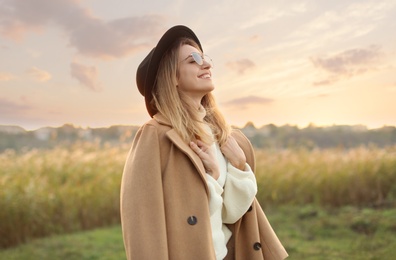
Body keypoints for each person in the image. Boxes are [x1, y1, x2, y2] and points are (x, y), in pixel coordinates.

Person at [120, 25, 288, 260]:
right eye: (193, 60)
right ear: (173, 77)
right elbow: (142, 225)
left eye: (205, 57)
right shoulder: (155, 136)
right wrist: (210, 178)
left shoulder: (226, 139)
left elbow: (230, 215)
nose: (207, 64)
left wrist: (238, 166)